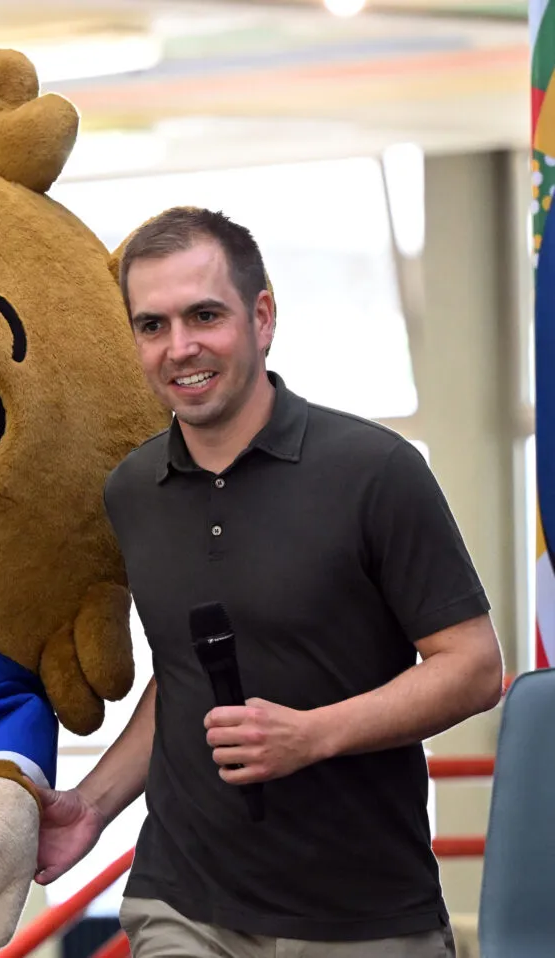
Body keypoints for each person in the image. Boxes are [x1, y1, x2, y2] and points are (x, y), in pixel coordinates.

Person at [35, 206, 504, 957]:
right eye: (152, 325)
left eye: (205, 315)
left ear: (262, 317)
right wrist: (91, 806)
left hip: (364, 915)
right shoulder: (131, 492)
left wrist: (314, 735)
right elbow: (180, 677)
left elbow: (473, 667)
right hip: (182, 900)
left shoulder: (376, 471)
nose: (180, 347)